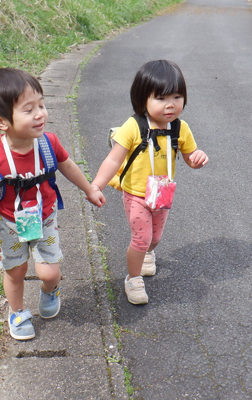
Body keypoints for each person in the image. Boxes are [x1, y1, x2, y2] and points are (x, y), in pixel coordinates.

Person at [0, 68, 106, 340]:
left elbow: (67, 165)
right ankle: (18, 312)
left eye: (42, 105)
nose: (41, 113)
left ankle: (50, 290)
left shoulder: (47, 143)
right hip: (10, 223)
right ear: (1, 121)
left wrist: (89, 189)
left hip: (43, 217)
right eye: (29, 109)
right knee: (15, 271)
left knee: (50, 272)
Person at [91, 59, 208, 305]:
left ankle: (147, 255)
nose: (170, 105)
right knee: (141, 238)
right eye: (161, 98)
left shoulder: (180, 128)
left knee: (155, 238)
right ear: (142, 99)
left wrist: (197, 159)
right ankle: (133, 279)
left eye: (177, 97)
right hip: (136, 194)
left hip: (162, 194)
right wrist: (96, 186)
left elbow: (189, 157)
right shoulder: (133, 127)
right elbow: (113, 160)